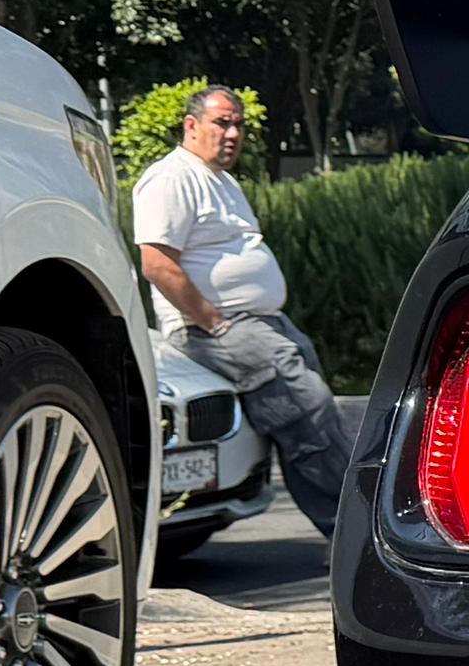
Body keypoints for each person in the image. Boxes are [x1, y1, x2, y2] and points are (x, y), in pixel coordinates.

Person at [128, 87, 350, 538]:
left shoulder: (222, 181)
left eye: (238, 125)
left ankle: (346, 531)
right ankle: (352, 534)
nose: (232, 134)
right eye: (221, 123)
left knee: (312, 419)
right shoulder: (171, 179)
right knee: (308, 411)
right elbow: (156, 262)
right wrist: (213, 320)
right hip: (214, 329)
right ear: (191, 126)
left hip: (262, 324)